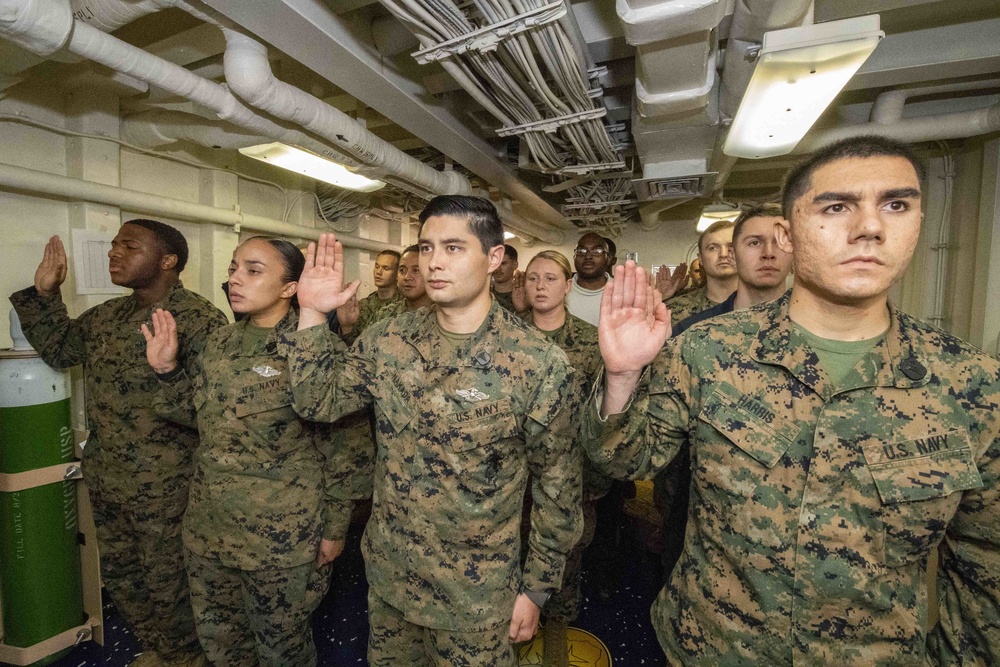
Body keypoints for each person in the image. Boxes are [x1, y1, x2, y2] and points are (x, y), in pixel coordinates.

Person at [582, 135, 1000, 664]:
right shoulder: (711, 350)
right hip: (710, 647)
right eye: (836, 207)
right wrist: (621, 377)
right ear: (790, 230)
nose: (870, 227)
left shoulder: (974, 386)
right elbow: (625, 459)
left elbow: (986, 574)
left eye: (896, 205)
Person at [279, 195, 583, 667]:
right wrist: (314, 316)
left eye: (454, 248)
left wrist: (537, 589)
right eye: (426, 248)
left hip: (477, 596)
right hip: (391, 580)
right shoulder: (388, 340)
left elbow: (558, 487)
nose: (434, 262)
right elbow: (319, 401)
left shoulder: (537, 363)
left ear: (494, 258)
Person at [9, 221, 227, 667]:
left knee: (171, 582)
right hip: (109, 477)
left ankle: (186, 657)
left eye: (130, 245)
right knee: (124, 576)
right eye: (112, 245)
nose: (114, 252)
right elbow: (61, 349)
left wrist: (168, 372)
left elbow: (215, 411)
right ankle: (159, 650)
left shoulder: (200, 321)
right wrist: (46, 295)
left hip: (168, 485)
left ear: (168, 261)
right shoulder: (110, 316)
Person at [142, 237, 355, 667]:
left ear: (289, 289)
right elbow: (204, 417)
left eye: (253, 271)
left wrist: (335, 527)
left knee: (282, 649)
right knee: (222, 643)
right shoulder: (219, 343)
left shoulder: (316, 350)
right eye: (234, 267)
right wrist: (167, 371)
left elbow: (347, 449)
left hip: (280, 537)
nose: (234, 278)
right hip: (209, 527)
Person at [657, 203, 794, 585]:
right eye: (753, 242)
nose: (768, 252)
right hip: (698, 493)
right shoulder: (693, 332)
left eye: (779, 241)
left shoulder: (821, 330)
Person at [519, 250, 609, 667]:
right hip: (513, 472)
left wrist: (595, 481)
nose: (540, 286)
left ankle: (555, 626)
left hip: (570, 474)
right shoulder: (508, 337)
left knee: (566, 552)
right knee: (514, 546)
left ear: (567, 285)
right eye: (533, 278)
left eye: (550, 278)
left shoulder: (592, 342)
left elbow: (601, 417)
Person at [662, 221, 737, 323]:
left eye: (731, 247)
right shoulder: (673, 312)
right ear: (700, 258)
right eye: (713, 248)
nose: (723, 254)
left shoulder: (763, 307)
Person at [349, 249, 401, 334]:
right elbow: (352, 342)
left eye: (386, 268)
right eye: (377, 266)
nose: (378, 272)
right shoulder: (363, 305)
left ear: (397, 274)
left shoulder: (405, 304)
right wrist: (346, 326)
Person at [566, 232, 612, 326]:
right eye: (581, 251)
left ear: (608, 258)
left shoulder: (623, 292)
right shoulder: (561, 291)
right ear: (574, 257)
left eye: (597, 251)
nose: (588, 256)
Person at [376, 244, 432, 319]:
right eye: (402, 270)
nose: (407, 277)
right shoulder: (386, 314)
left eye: (416, 270)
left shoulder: (444, 317)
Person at [491, 244, 519, 312]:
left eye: (503, 264)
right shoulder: (484, 296)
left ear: (515, 265)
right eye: (495, 263)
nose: (497, 269)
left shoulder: (523, 297)